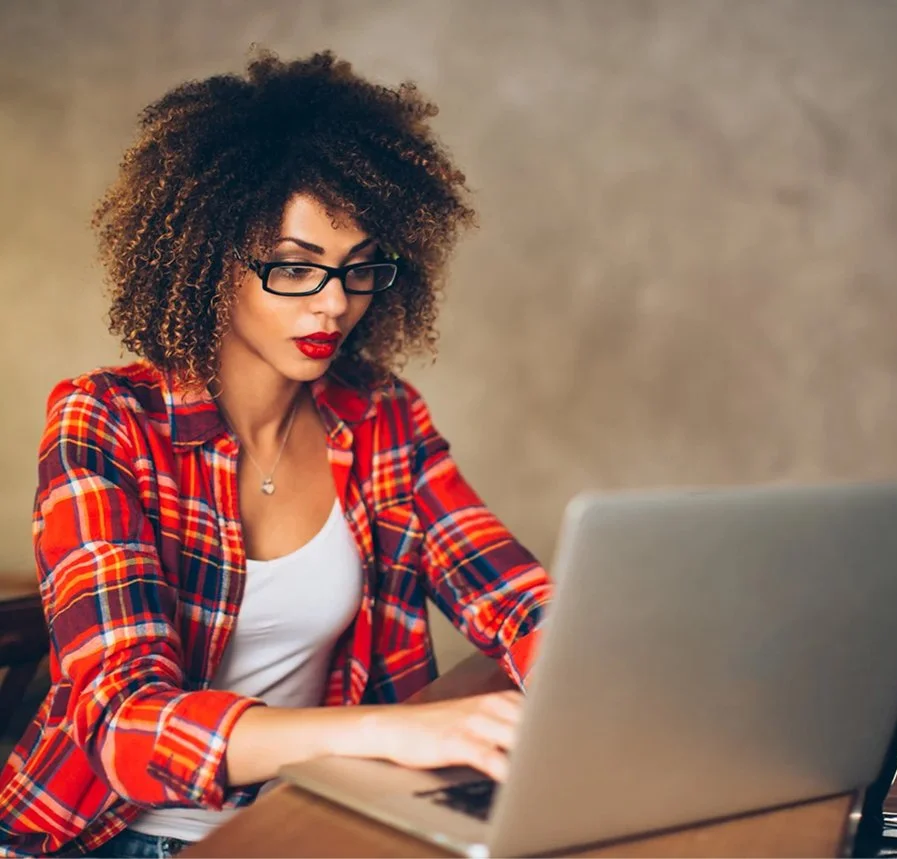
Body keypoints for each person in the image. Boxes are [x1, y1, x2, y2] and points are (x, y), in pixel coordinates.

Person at [0, 49, 551, 858]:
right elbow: (126, 726)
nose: (335, 302)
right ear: (208, 261)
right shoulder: (107, 420)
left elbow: (507, 590)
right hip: (117, 838)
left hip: (312, 824)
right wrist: (399, 733)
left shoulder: (379, 415)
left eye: (360, 269)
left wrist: (604, 678)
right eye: (296, 268)